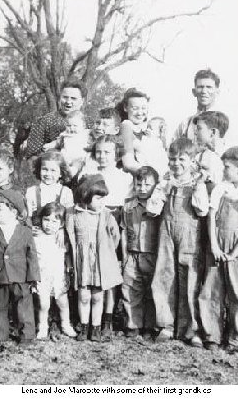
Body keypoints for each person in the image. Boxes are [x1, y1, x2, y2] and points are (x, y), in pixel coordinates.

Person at [150, 137, 209, 347]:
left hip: (189, 234)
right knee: (164, 274)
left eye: (181, 159)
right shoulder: (165, 182)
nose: (176, 163)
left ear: (192, 160)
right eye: (172, 159)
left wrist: (198, 187)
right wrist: (162, 189)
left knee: (190, 277)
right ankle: (165, 325)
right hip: (167, 232)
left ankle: (191, 328)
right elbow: (153, 209)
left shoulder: (197, 183)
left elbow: (202, 210)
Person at [198, 147, 238, 352]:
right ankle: (212, 335)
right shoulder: (220, 189)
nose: (223, 170)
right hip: (216, 244)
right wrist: (214, 245)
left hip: (237, 249)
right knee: (211, 290)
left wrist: (234, 253)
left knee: (237, 293)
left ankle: (236, 338)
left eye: (227, 167)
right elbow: (211, 218)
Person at [78, 135, 133, 337]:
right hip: (91, 223)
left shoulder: (124, 177)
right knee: (92, 271)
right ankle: (88, 320)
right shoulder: (88, 173)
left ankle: (108, 317)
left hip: (114, 222)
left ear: (116, 154)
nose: (102, 156)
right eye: (99, 152)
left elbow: (126, 206)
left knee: (109, 272)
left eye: (107, 152)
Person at [0, 189, 39, 344]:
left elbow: (32, 256)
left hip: (21, 277)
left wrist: (33, 279)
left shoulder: (25, 232)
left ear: (14, 211)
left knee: (23, 307)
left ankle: (26, 335)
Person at [65, 174, 122, 342]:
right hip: (82, 262)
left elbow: (115, 238)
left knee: (98, 296)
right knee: (84, 296)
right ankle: (84, 326)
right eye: (98, 198)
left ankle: (96, 328)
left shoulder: (107, 216)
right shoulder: (73, 214)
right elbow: (69, 238)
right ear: (86, 196)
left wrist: (106, 253)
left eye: (103, 199)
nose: (101, 202)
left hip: (99, 263)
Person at [120, 166, 162, 339]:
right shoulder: (128, 205)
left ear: (155, 186)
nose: (143, 188)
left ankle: (149, 325)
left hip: (152, 255)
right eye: (139, 184)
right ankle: (133, 324)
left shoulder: (158, 207)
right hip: (132, 254)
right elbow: (123, 231)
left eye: (147, 185)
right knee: (130, 290)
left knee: (152, 291)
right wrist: (124, 256)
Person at [33, 201, 77, 339]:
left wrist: (69, 268)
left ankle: (65, 324)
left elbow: (67, 256)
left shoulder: (61, 238)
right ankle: (42, 326)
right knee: (43, 303)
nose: (49, 224)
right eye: (46, 220)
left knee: (62, 302)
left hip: (58, 276)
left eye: (54, 221)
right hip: (42, 275)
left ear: (61, 224)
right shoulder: (36, 237)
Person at [24, 80, 86, 159]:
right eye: (65, 97)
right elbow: (32, 156)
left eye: (73, 98)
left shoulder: (90, 123)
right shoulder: (44, 121)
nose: (68, 101)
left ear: (82, 101)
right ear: (60, 98)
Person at [116, 88, 168, 176]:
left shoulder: (145, 131)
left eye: (143, 108)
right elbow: (128, 164)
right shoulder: (125, 127)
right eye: (135, 108)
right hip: (133, 179)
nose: (140, 113)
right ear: (125, 107)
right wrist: (156, 175)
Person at [25, 151, 74, 231]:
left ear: (61, 173)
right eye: (45, 169)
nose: (48, 174)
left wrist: (62, 231)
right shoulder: (32, 191)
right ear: (39, 169)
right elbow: (28, 217)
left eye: (53, 170)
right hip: (37, 235)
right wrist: (31, 228)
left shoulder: (66, 192)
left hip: (58, 236)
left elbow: (70, 218)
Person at [173, 69, 222, 143]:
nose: (204, 91)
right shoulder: (185, 125)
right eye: (200, 87)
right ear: (194, 92)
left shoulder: (223, 121)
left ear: (217, 92)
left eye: (209, 87)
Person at [193, 110, 229, 193]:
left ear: (213, 132)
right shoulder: (199, 157)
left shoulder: (230, 156)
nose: (195, 133)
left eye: (199, 128)